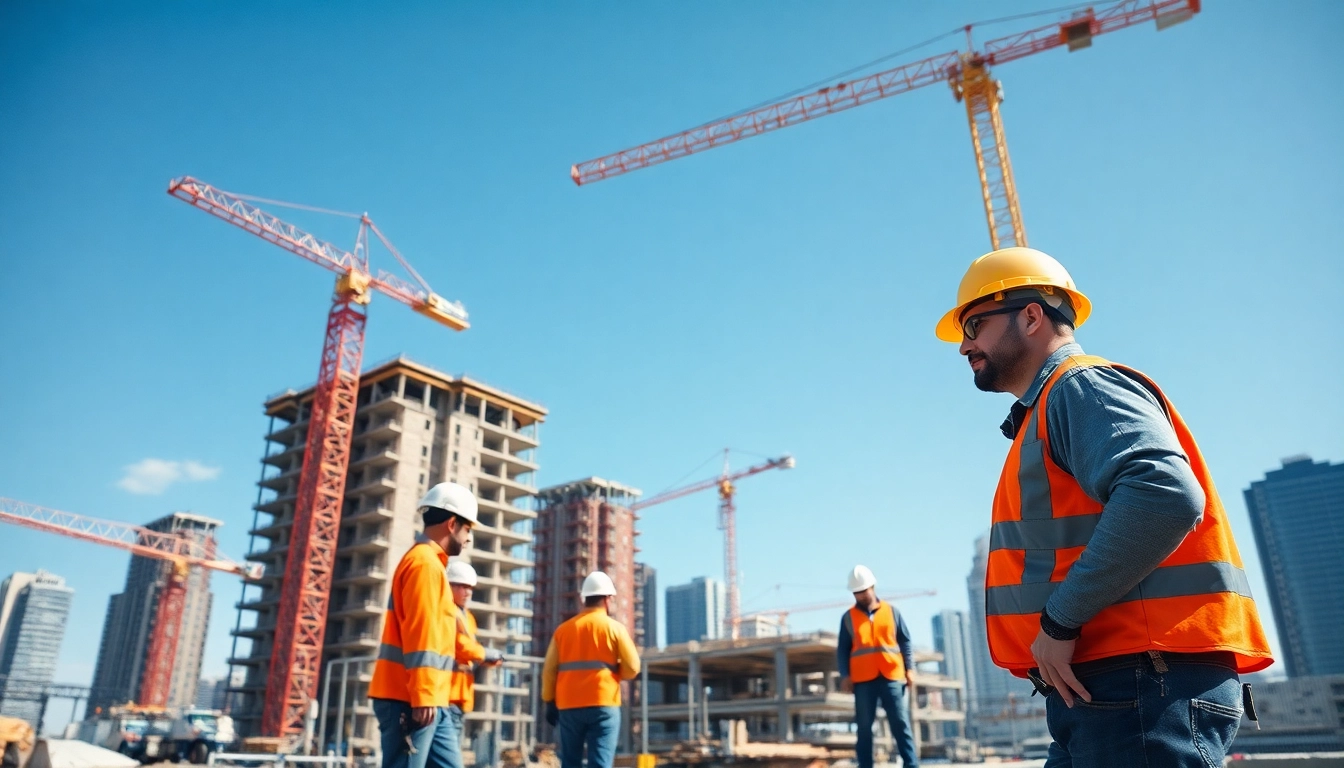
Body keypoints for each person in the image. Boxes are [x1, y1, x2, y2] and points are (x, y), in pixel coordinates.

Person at [937, 247, 1273, 766]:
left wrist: (1059, 623)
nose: (964, 346)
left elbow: (1163, 494)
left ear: (1031, 316)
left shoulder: (1079, 387)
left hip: (1140, 683)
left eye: (974, 325)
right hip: (1112, 688)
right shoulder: (1049, 408)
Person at [369, 483, 478, 768]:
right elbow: (422, 633)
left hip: (431, 698)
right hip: (410, 698)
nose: (468, 539)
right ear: (452, 524)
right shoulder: (425, 565)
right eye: (467, 529)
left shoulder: (430, 565)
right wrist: (424, 694)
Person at [541, 571, 641, 768]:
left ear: (583, 599)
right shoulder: (615, 628)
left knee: (570, 762)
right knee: (600, 764)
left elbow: (549, 670)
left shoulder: (563, 631)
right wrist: (616, 672)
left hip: (569, 705)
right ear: (608, 599)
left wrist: (549, 700)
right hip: (604, 703)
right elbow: (633, 667)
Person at [837, 565, 918, 768]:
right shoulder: (848, 618)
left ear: (872, 586)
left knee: (900, 723)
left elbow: (905, 641)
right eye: (856, 592)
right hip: (863, 679)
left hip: (892, 675)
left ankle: (911, 764)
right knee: (864, 728)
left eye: (863, 590)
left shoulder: (892, 612)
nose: (860, 595)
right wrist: (845, 675)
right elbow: (843, 649)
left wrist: (910, 669)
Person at [445, 559, 503, 746]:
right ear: (449, 586)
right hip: (446, 692)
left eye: (470, 587)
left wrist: (485, 659)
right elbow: (460, 645)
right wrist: (486, 654)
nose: (468, 592)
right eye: (462, 586)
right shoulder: (447, 612)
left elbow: (470, 649)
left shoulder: (467, 617)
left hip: (461, 693)